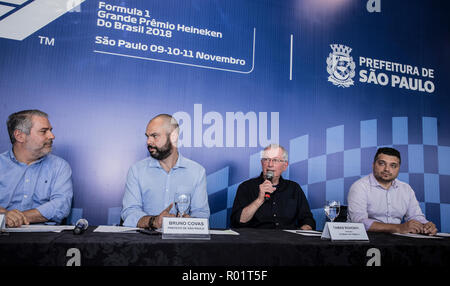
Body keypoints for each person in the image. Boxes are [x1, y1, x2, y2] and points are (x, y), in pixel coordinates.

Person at [121, 114, 210, 228]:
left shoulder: (197, 172)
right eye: (147, 136)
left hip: (182, 243)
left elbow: (202, 214)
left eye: (154, 136)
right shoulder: (136, 170)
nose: (149, 141)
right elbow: (129, 212)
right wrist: (154, 221)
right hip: (145, 242)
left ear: (173, 137)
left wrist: (190, 221)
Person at [0, 110, 73, 227]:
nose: (52, 136)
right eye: (44, 131)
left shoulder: (59, 166)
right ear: (19, 136)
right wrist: (4, 215)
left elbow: (61, 206)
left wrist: (14, 218)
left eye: (50, 130)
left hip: (45, 240)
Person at [347, 147, 437, 235]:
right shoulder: (360, 187)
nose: (387, 169)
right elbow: (359, 221)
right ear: (373, 165)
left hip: (397, 240)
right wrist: (398, 227)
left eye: (393, 165)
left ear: (398, 168)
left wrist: (426, 225)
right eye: (382, 164)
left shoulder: (406, 189)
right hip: (368, 239)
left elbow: (415, 216)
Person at [231, 144, 316, 229]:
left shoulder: (294, 188)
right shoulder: (246, 187)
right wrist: (259, 200)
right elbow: (237, 222)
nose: (270, 164)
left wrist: (304, 230)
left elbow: (308, 219)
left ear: (285, 166)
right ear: (262, 163)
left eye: (275, 160)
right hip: (256, 239)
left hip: (288, 240)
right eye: (266, 159)